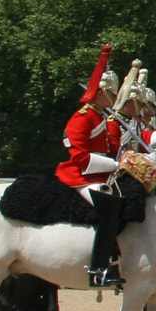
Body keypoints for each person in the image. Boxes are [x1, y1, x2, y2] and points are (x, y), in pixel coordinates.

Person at [56, 47, 130, 286]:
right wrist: (115, 164)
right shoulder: (83, 116)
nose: (113, 98)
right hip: (80, 175)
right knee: (109, 206)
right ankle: (99, 266)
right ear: (99, 92)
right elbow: (79, 155)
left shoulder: (101, 117)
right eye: (110, 93)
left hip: (102, 174)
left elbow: (112, 149)